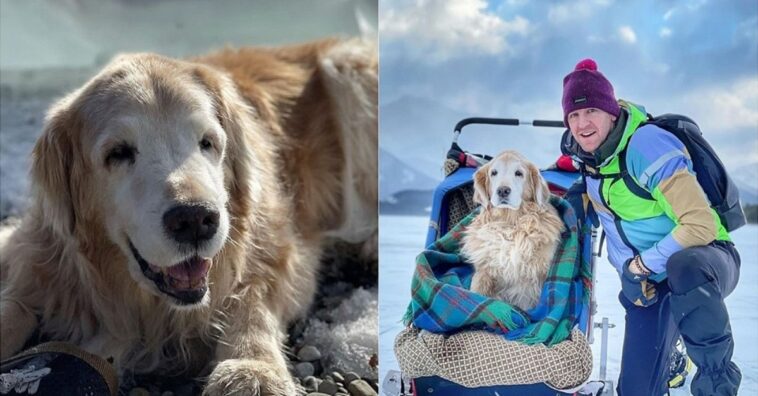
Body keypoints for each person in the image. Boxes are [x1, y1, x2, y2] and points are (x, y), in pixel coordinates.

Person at [559, 58, 741, 396]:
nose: (582, 124)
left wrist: (639, 267)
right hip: (648, 286)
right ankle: (670, 357)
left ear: (611, 112)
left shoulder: (647, 146)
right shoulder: (589, 157)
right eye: (573, 115)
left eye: (591, 112)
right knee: (636, 391)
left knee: (683, 265)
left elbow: (699, 224)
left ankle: (716, 384)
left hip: (705, 262)